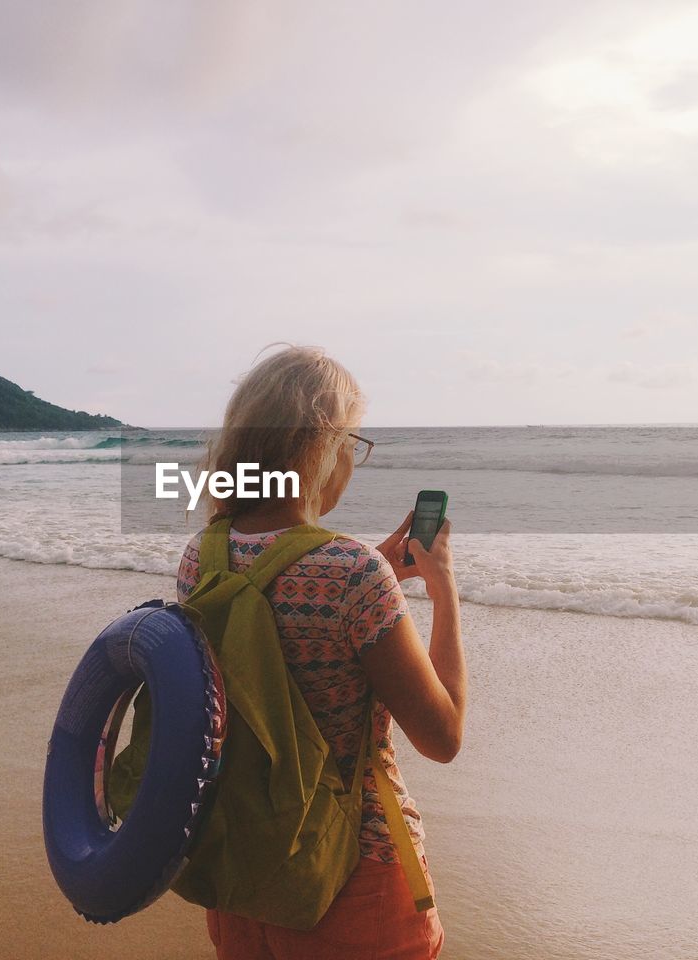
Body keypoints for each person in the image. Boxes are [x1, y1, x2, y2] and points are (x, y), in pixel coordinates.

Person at [176, 344, 466, 959]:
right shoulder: (352, 575)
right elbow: (443, 737)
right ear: (322, 448)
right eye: (353, 444)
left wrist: (374, 578)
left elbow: (281, 630)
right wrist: (443, 592)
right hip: (352, 878)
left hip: (243, 870)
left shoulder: (202, 558)